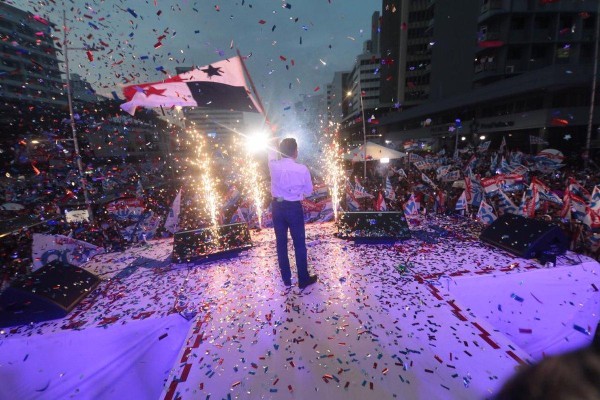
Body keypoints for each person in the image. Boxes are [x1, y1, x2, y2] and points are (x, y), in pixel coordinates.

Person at [268, 138, 318, 289]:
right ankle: (303, 279)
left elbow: (270, 152)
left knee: (281, 243)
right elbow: (309, 191)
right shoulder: (302, 169)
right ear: (295, 152)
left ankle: (286, 279)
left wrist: (273, 140)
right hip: (294, 207)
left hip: (277, 206)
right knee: (299, 244)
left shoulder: (273, 165)